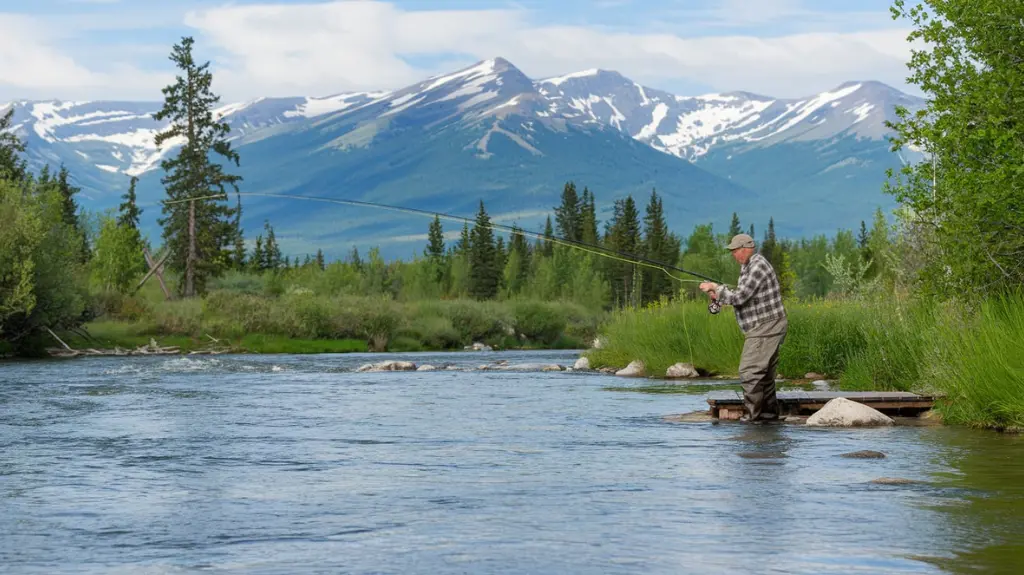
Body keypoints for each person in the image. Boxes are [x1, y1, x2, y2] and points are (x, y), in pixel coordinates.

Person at [699, 234, 787, 423]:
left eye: (735, 251)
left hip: (766, 325)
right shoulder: (747, 267)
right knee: (765, 375)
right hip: (766, 325)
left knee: (749, 371)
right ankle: (768, 416)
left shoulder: (757, 266)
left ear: (745, 249)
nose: (733, 255)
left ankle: (752, 417)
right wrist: (718, 295)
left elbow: (740, 297)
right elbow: (741, 296)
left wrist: (716, 287)